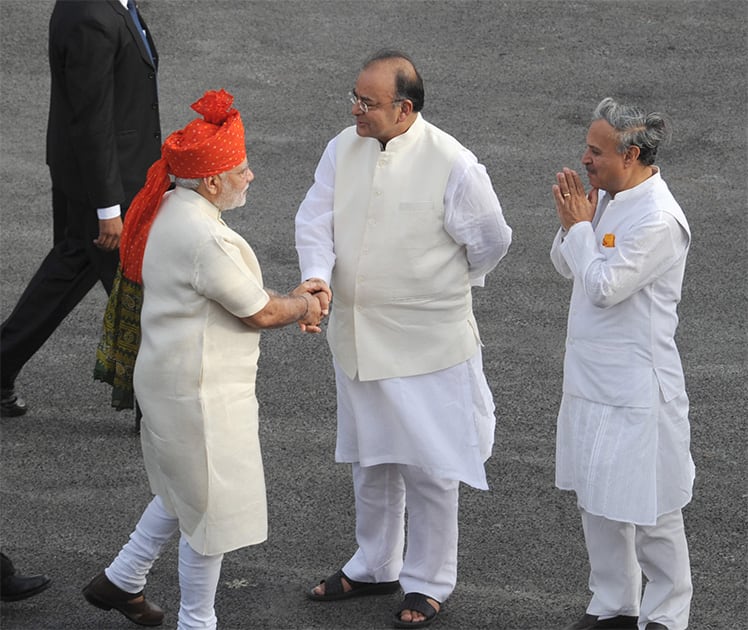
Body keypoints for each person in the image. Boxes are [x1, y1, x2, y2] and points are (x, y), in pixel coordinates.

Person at [82, 88, 331, 629]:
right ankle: (198, 623)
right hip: (201, 395)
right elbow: (260, 312)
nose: (251, 177)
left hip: (169, 385)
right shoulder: (205, 238)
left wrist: (293, 303)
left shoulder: (168, 205)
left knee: (181, 491)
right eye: (241, 169)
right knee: (210, 514)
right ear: (213, 181)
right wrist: (306, 302)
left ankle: (122, 578)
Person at [295, 50, 512, 628]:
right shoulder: (343, 146)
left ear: (405, 108)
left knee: (431, 466)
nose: (355, 111)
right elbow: (315, 217)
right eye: (355, 98)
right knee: (371, 458)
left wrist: (437, 286)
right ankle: (375, 564)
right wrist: (317, 273)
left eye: (368, 103)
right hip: (359, 336)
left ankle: (430, 580)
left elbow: (490, 240)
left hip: (428, 342)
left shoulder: (453, 162)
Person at [550, 97, 694, 630]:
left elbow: (606, 287)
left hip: (639, 391)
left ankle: (668, 614)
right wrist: (575, 226)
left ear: (631, 154)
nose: (585, 159)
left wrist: (582, 230)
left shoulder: (659, 218)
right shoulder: (608, 198)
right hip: (590, 382)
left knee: (652, 510)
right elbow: (567, 266)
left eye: (596, 151)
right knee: (598, 497)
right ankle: (613, 605)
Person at [0, 0, 160, 417]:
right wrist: (108, 207)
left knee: (71, 266)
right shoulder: (92, 16)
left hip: (104, 176)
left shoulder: (109, 5)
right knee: (138, 292)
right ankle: (157, 408)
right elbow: (93, 119)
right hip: (105, 186)